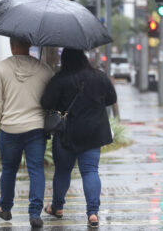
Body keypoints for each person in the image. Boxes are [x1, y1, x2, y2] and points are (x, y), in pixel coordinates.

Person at [40, 48, 117, 229]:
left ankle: (57, 207)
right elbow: (111, 98)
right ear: (84, 58)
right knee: (90, 171)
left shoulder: (59, 79)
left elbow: (45, 103)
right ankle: (92, 213)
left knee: (62, 171)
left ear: (64, 60)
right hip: (93, 133)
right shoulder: (99, 76)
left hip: (67, 133)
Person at [0, 37, 53, 228]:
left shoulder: (1, 67)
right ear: (29, 45)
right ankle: (35, 214)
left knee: (9, 169)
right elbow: (51, 98)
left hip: (9, 127)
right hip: (36, 128)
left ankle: (5, 207)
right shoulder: (44, 69)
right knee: (36, 170)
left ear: (11, 45)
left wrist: (0, 119)